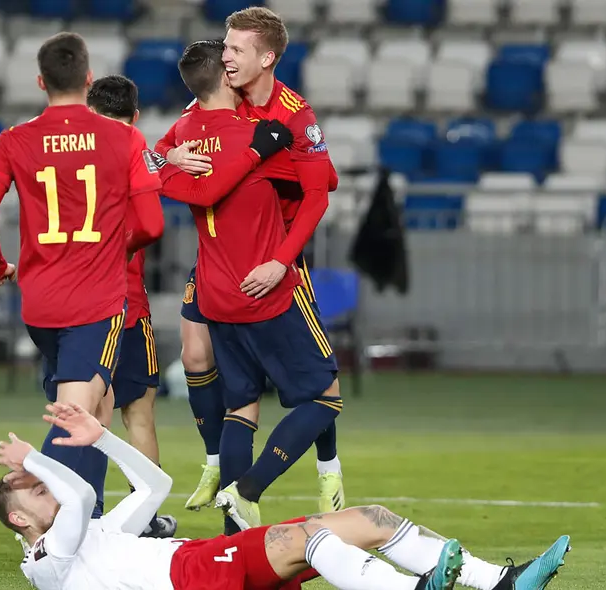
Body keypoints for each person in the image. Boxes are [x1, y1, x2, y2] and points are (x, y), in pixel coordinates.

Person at [0, 401, 571, 590]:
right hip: (190, 577)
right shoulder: (46, 564)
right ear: (20, 517)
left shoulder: (93, 533)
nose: (52, 488)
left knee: (370, 517)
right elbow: (77, 499)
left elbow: (156, 486)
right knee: (311, 538)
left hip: (201, 564)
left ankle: (500, 581)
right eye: (37, 490)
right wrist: (34, 460)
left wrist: (105, 438)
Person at [0, 32, 165, 520]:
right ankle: (40, 521)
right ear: (88, 78)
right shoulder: (125, 137)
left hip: (39, 303)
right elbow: (153, 224)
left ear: (40, 81)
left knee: (97, 405)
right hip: (93, 302)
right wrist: (111, 249)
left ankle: (91, 515)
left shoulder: (13, 140)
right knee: (77, 414)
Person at [159, 8, 343, 519]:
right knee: (203, 362)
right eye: (224, 46)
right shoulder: (221, 101)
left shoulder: (294, 114)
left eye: (235, 48)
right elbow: (160, 151)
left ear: (267, 58)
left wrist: (283, 260)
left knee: (289, 386)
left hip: (272, 259)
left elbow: (322, 189)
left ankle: (327, 472)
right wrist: (171, 159)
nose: (225, 56)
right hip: (227, 264)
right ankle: (227, 478)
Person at [85, 74, 176, 539]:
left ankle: (88, 514)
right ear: (135, 116)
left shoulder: (73, 154)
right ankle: (145, 518)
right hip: (128, 305)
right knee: (137, 414)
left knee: (83, 413)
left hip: (77, 306)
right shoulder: (139, 153)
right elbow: (152, 173)